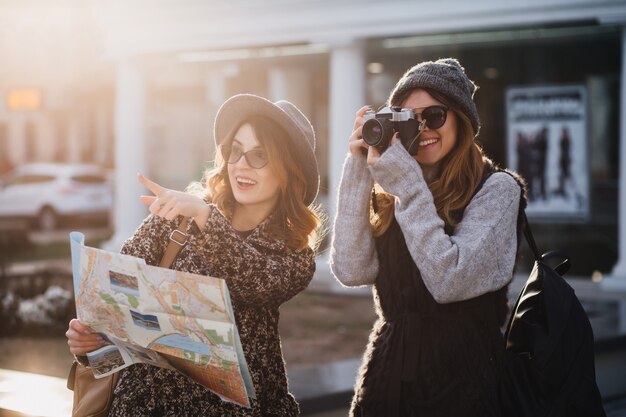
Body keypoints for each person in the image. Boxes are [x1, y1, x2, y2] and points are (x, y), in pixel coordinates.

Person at [66, 93, 324, 416]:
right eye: (236, 151)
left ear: (288, 171)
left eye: (259, 156)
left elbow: (256, 280)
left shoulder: (294, 253)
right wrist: (90, 342)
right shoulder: (181, 216)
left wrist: (206, 217)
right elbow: (115, 299)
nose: (241, 165)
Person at [330, 58, 526, 416]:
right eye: (408, 118)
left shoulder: (497, 190)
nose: (422, 129)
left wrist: (408, 188)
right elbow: (350, 268)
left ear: (462, 121)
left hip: (465, 379)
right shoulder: (396, 190)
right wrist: (358, 165)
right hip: (388, 379)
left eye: (434, 116)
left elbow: (449, 280)